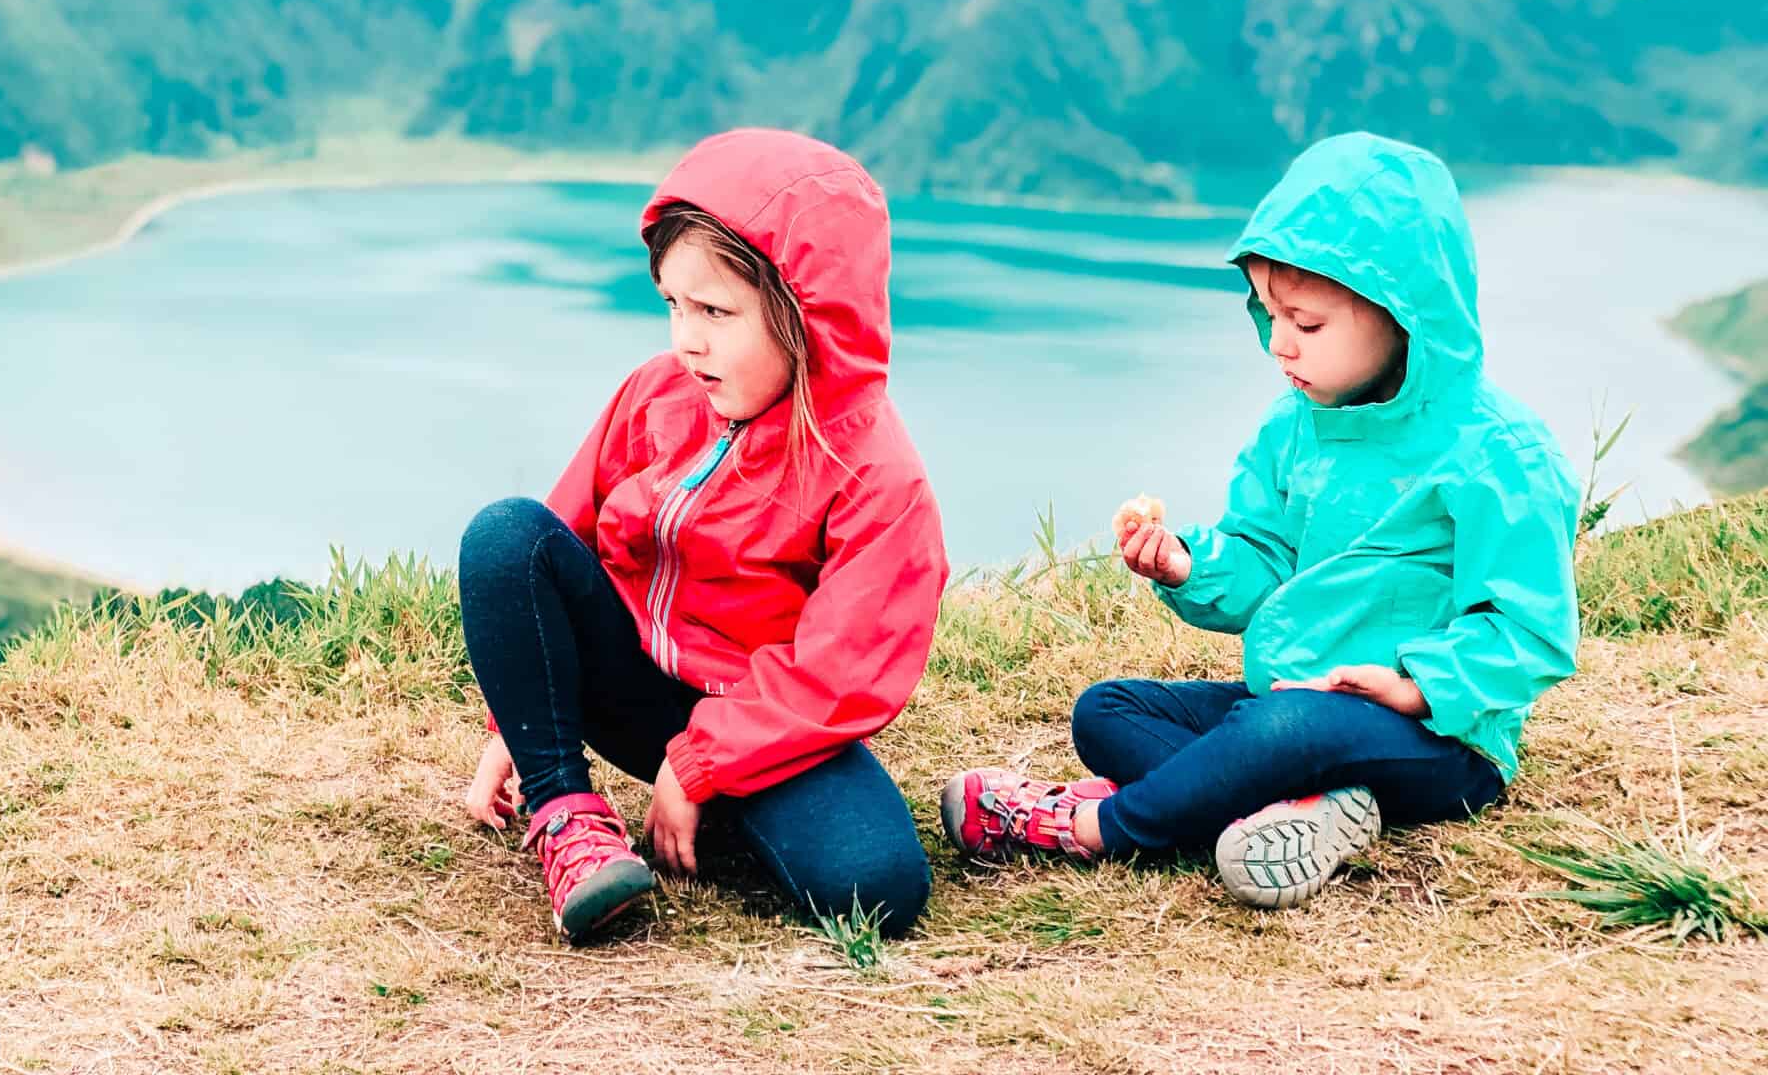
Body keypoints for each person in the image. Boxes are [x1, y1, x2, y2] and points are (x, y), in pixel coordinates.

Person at [940, 132, 1580, 909]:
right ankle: (1308, 812)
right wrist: (1185, 564)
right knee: (1106, 710)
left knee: (1287, 730)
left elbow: (1530, 630)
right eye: (1269, 314)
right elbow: (1265, 561)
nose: (1279, 346)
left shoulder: (1497, 452)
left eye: (1307, 325)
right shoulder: (1295, 427)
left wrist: (1414, 687)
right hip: (1284, 703)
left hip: (1439, 737)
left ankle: (1090, 827)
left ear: (1402, 314)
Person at [458, 128, 947, 942]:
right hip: (634, 686)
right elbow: (558, 547)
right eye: (674, 306)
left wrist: (700, 766)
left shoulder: (875, 475)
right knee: (505, 536)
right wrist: (520, 726)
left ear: (806, 318)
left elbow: (841, 672)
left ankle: (711, 818)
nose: (687, 339)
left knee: (879, 884)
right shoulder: (657, 394)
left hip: (766, 717)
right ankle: (569, 818)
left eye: (716, 312)